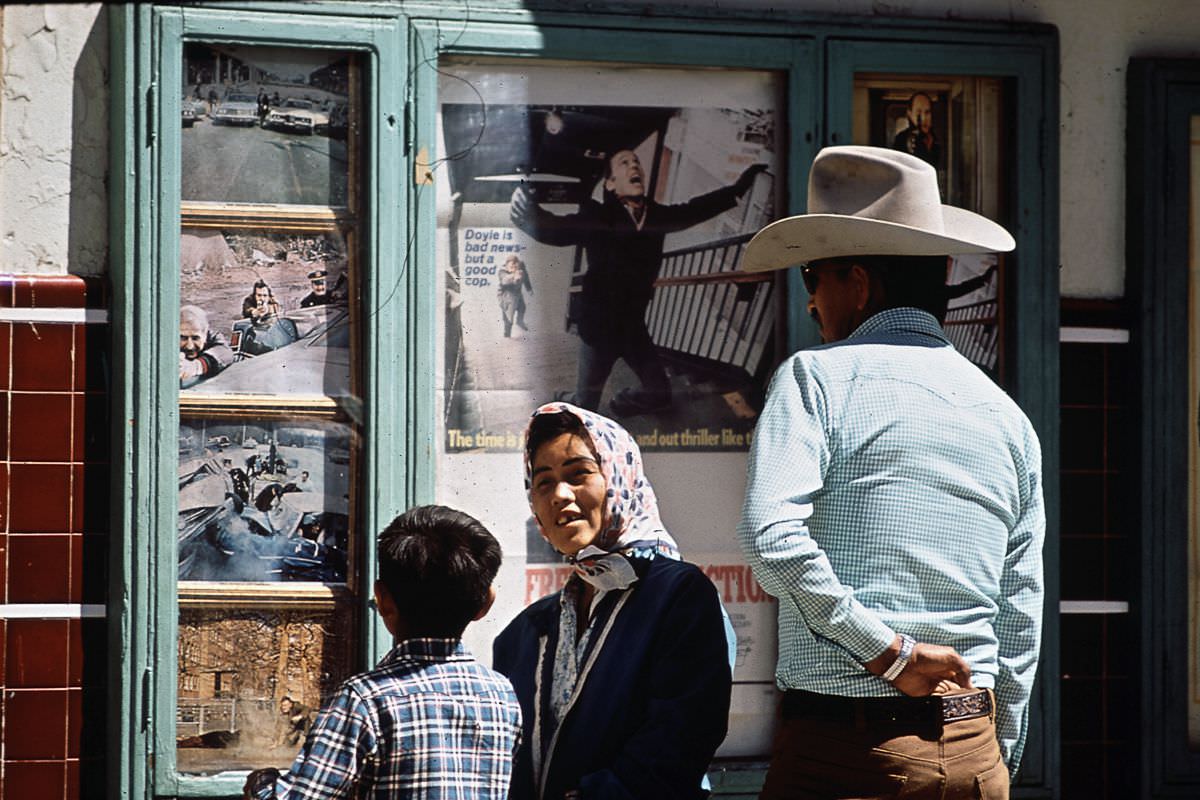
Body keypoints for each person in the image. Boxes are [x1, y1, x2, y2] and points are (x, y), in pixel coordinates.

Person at [737, 145, 1043, 799]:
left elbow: (772, 541)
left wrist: (890, 655)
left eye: (811, 278)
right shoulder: (1006, 416)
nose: (813, 303)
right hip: (975, 752)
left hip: (849, 752)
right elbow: (1020, 614)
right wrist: (997, 755)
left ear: (858, 281)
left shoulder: (814, 379)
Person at [493, 402, 732, 799]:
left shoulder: (677, 596)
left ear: (619, 478)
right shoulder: (524, 632)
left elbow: (682, 735)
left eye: (578, 474)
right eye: (544, 482)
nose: (560, 495)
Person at [243, 504, 522, 799]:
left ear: (383, 600)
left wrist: (261, 782)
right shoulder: (501, 694)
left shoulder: (365, 699)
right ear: (485, 603)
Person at [510, 149, 766, 416]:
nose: (635, 166)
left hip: (633, 329)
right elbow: (557, 229)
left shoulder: (656, 216)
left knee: (660, 393)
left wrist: (739, 188)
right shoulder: (598, 217)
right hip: (599, 332)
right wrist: (528, 213)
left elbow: (696, 208)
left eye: (636, 163)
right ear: (611, 184)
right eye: (624, 163)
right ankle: (567, 398)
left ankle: (623, 401)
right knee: (586, 405)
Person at [179, 305, 234, 388]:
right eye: (183, 338)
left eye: (195, 338)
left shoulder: (213, 338)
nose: (189, 346)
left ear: (205, 334)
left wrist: (197, 366)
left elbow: (226, 353)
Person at [891, 91, 941, 167]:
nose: (923, 118)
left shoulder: (938, 139)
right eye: (918, 113)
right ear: (910, 114)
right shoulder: (901, 140)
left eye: (927, 112)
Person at [497, 255, 533, 337]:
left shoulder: (521, 269)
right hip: (505, 295)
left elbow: (526, 278)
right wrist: (514, 275)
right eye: (511, 266)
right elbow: (504, 281)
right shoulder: (502, 271)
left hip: (517, 293)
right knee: (508, 317)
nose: (513, 268)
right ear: (506, 265)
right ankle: (507, 334)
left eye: (515, 266)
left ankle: (519, 321)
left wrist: (529, 289)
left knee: (522, 307)